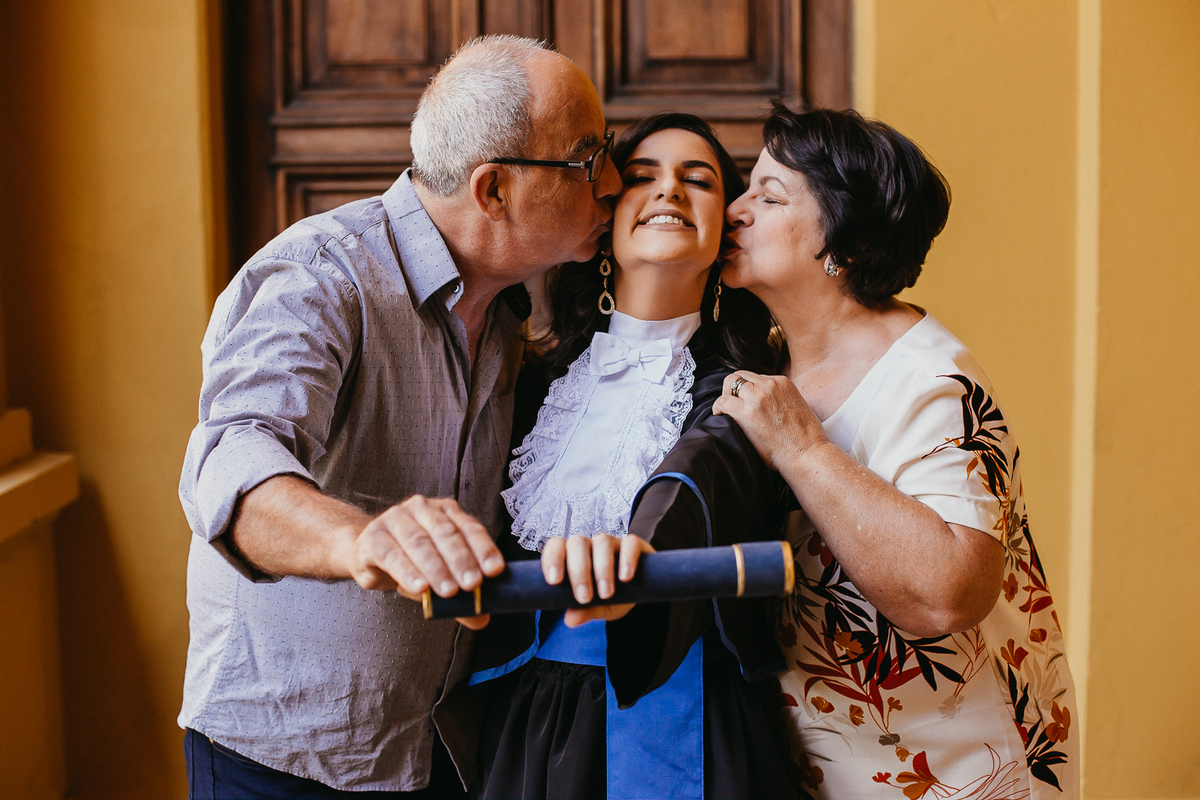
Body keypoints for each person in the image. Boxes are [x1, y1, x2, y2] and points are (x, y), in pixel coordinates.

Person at [176, 36, 622, 798]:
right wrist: (363, 538)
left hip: (441, 745)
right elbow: (231, 460)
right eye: (587, 160)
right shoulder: (321, 274)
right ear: (494, 191)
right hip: (285, 758)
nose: (612, 182)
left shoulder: (511, 310)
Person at [712, 103, 1079, 798]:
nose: (735, 210)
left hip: (959, 770)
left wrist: (803, 450)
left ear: (843, 246)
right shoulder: (772, 361)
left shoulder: (930, 379)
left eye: (768, 195)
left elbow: (948, 593)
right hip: (832, 767)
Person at [467, 113, 796, 800]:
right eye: (643, 177)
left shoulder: (745, 389)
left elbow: (698, 477)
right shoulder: (530, 380)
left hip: (685, 710)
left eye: (697, 180)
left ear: (725, 234)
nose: (669, 191)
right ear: (607, 226)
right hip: (531, 716)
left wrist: (633, 564)